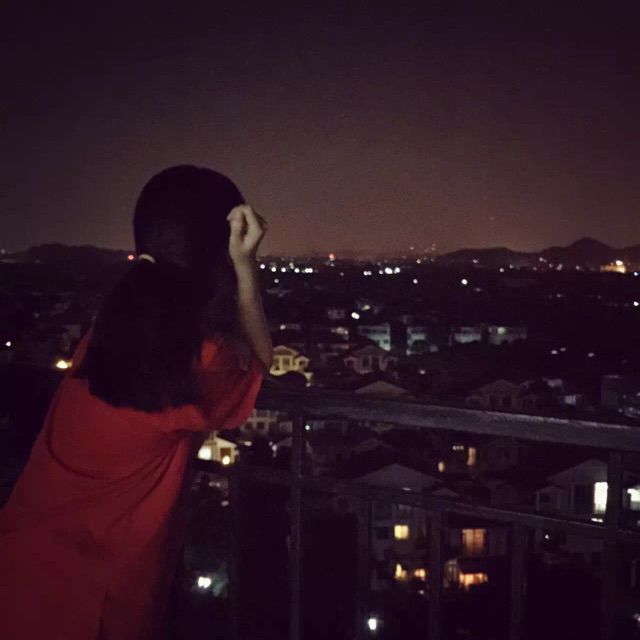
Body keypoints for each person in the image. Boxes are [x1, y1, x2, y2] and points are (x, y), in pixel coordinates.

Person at [0, 165, 272, 639]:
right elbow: (259, 361)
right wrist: (246, 267)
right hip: (92, 606)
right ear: (218, 252)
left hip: (19, 570)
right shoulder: (196, 361)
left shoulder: (103, 337)